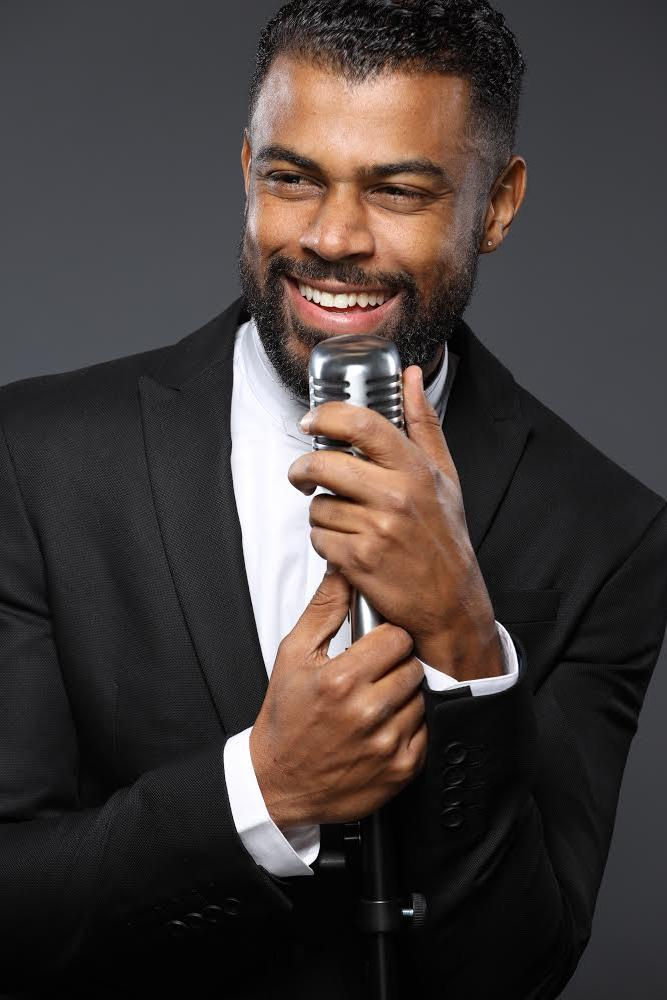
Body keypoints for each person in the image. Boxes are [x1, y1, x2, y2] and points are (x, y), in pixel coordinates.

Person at [0, 1, 665, 997]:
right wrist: (262, 794)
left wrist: (463, 640)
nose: (333, 238)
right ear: (247, 173)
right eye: (292, 178)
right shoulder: (34, 458)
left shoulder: (608, 530)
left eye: (397, 191)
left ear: (496, 205)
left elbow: (521, 971)